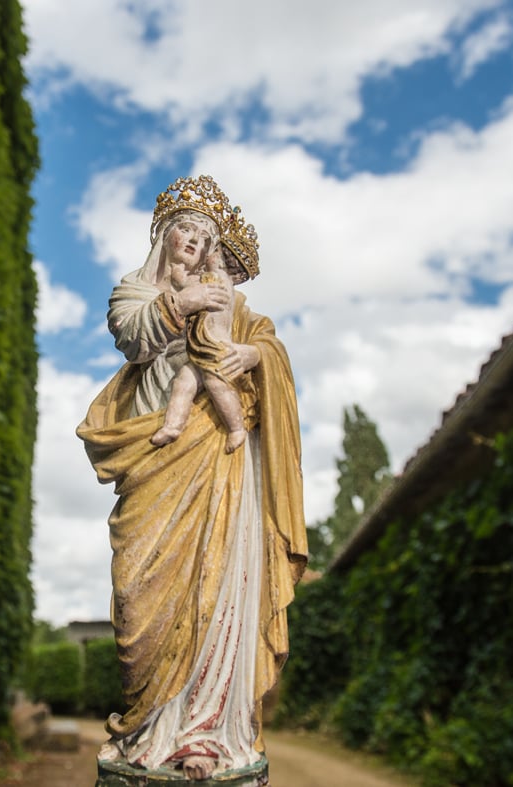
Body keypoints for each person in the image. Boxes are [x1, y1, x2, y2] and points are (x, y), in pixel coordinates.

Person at [78, 175, 307, 780]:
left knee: (220, 577)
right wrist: (185, 303)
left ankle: (208, 729)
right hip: (155, 455)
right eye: (187, 229)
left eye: (207, 237)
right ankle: (151, 723)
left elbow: (268, 346)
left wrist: (253, 356)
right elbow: (132, 336)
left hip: (220, 461)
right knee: (137, 591)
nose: (195, 242)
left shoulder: (231, 299)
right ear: (164, 234)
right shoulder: (135, 291)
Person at [150, 243, 246, 453]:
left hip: (214, 346)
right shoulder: (222, 280)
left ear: (220, 260)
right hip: (201, 347)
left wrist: (178, 275)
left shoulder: (215, 279)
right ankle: (173, 426)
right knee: (184, 381)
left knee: (216, 385)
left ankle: (237, 428)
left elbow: (187, 284)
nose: (206, 256)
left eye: (213, 253)